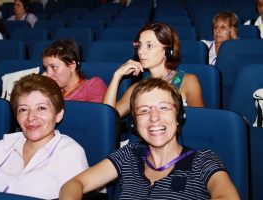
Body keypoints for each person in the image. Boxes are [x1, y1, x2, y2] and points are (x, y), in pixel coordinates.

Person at [60, 78, 240, 200]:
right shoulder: (129, 155)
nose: (154, 117)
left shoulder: (202, 160)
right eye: (144, 111)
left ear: (178, 117)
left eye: (163, 108)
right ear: (135, 123)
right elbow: (74, 184)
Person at [0, 74, 88, 199]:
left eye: (41, 108)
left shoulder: (70, 154)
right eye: (23, 109)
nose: (31, 117)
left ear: (58, 114)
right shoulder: (6, 145)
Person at [103, 22, 204, 119]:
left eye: (149, 45)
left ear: (167, 51)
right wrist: (117, 76)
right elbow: (106, 118)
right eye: (139, 45)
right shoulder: (138, 88)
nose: (140, 51)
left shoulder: (187, 81)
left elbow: (199, 121)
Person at [42, 40, 107, 103]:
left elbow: (96, 112)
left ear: (72, 66)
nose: (48, 74)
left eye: (54, 67)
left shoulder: (92, 85)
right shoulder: (53, 91)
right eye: (46, 69)